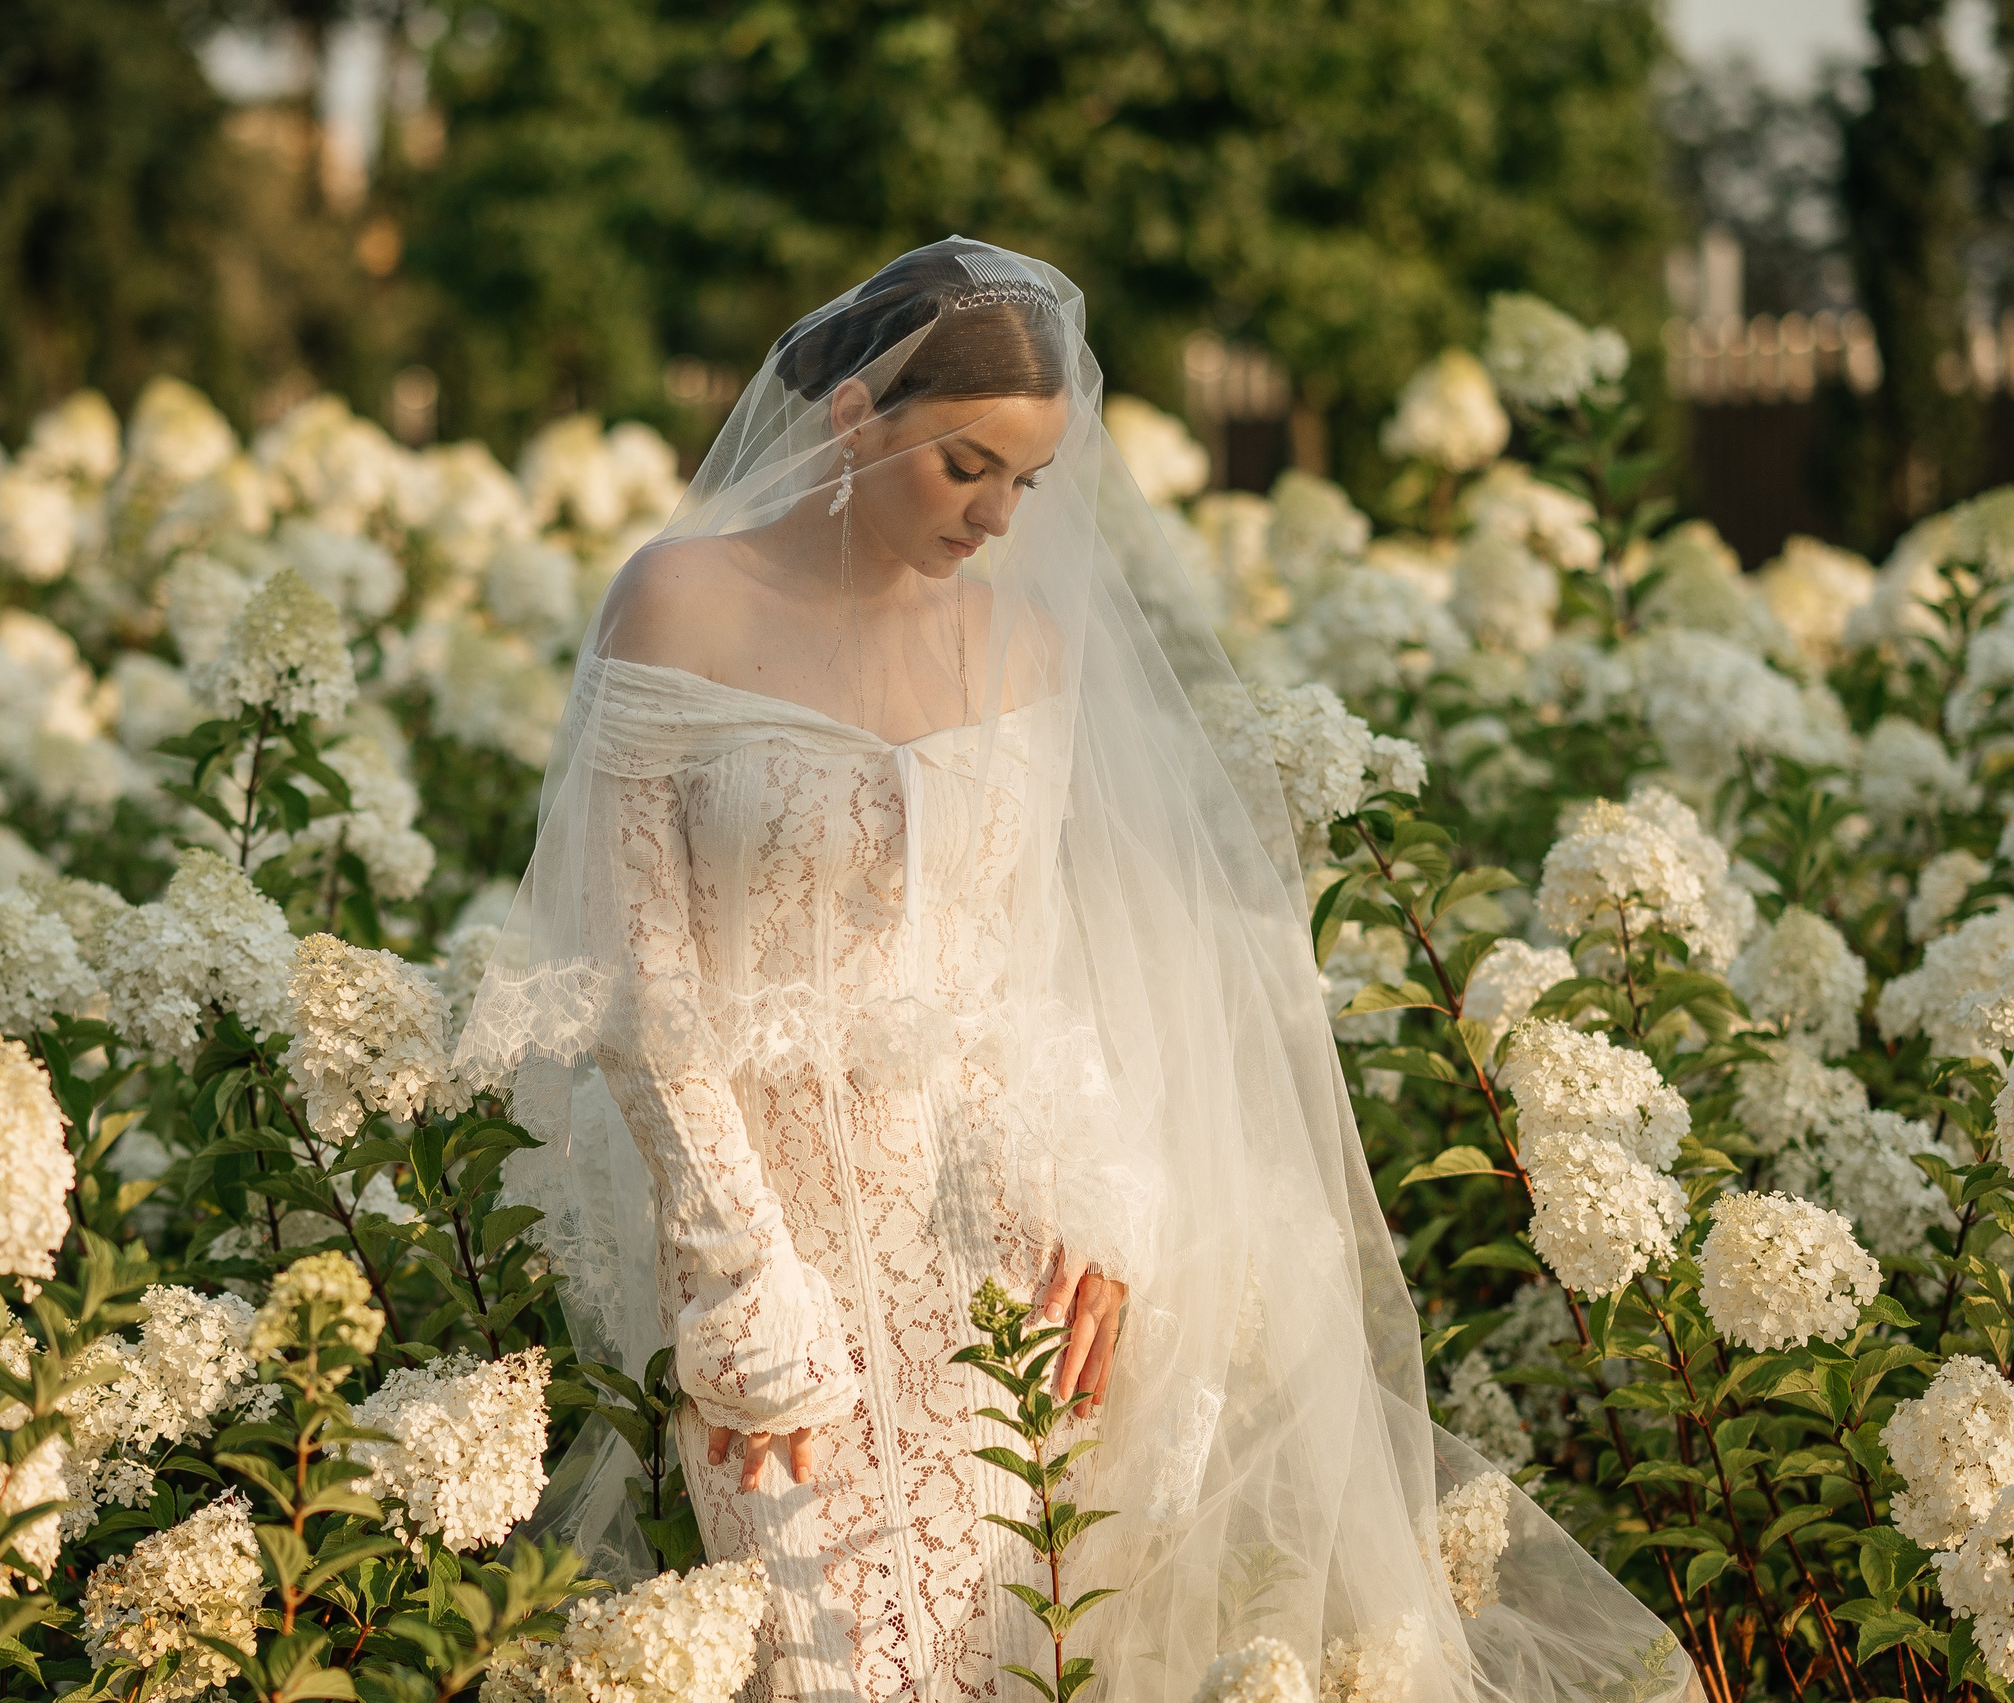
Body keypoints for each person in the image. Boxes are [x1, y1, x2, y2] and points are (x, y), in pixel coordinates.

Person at [455, 239, 1691, 1703]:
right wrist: (740, 1283)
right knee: (831, 1663)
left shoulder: (1018, 639)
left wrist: (1104, 1201)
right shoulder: (682, 604)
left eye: (1024, 484)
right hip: (775, 1245)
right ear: (854, 418)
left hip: (1003, 1243)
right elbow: (644, 991)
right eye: (965, 465)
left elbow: (1017, 972)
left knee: (1036, 1649)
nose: (995, 516)